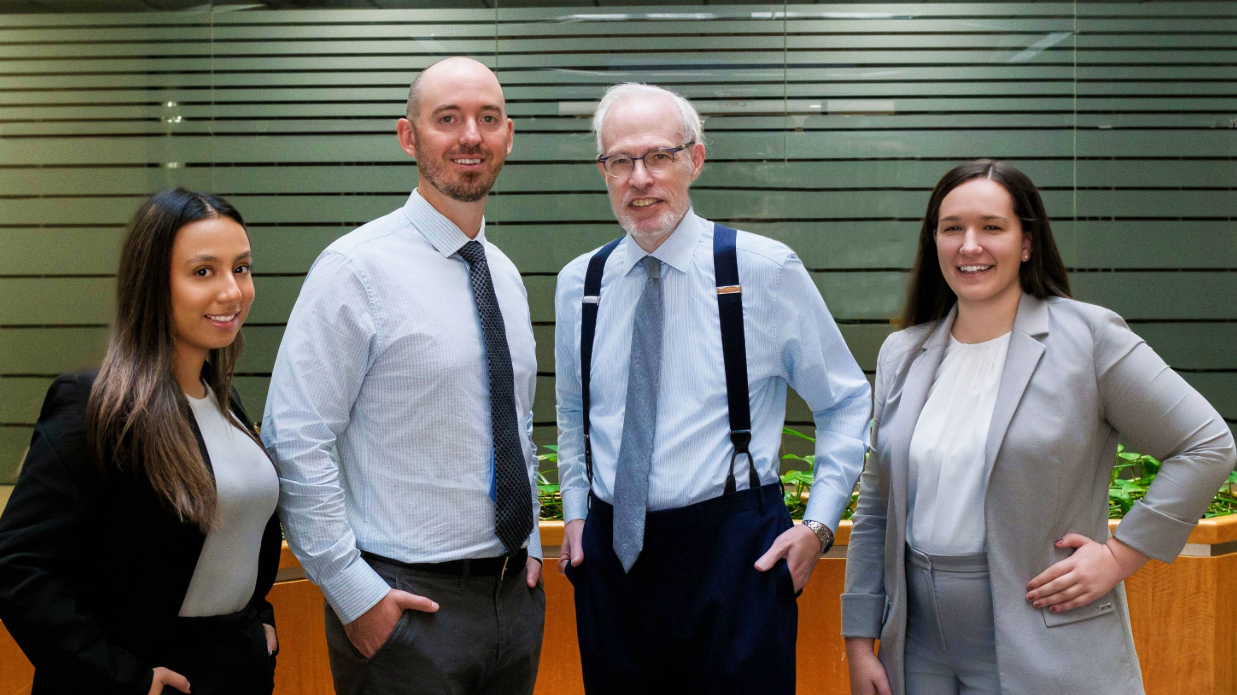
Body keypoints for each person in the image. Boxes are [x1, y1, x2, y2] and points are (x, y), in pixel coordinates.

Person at [842, 160, 1237, 695]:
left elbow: (1207, 444)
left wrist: (1121, 556)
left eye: (992, 227)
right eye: (952, 227)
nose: (969, 245)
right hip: (916, 647)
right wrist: (859, 640)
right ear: (934, 240)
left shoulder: (1089, 337)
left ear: (1027, 243)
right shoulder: (903, 352)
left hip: (1045, 636)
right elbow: (877, 504)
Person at [553, 82, 871, 694]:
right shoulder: (579, 282)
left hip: (736, 556)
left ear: (695, 160)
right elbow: (573, 411)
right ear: (604, 172)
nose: (639, 178)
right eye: (620, 161)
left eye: (659, 157)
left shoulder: (763, 269)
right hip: (612, 563)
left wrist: (819, 527)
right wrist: (573, 512)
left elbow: (846, 401)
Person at [261, 56, 544, 695]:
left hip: (514, 603)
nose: (470, 135)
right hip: (404, 608)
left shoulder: (503, 273)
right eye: (448, 119)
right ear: (408, 136)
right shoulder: (354, 270)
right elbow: (296, 438)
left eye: (487, 118)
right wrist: (355, 595)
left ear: (508, 135)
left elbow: (512, 418)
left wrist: (527, 547)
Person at [0, 189, 282, 695]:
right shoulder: (96, 406)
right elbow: (19, 568)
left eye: (241, 268)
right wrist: (121, 678)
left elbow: (233, 533)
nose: (233, 291)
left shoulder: (224, 400)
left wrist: (259, 622)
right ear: (153, 284)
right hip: (148, 672)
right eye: (203, 272)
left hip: (235, 664)